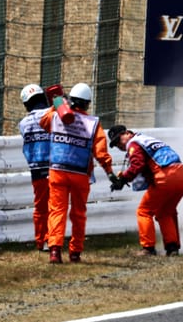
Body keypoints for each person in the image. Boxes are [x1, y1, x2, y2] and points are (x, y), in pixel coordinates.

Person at [37, 82, 116, 264]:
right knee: (79, 213)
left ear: (71, 100)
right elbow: (101, 153)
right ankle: (75, 252)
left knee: (57, 210)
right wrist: (110, 172)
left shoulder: (57, 116)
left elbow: (43, 122)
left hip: (58, 170)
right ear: (88, 103)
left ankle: (55, 251)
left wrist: (57, 103)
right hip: (81, 173)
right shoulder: (93, 123)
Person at [107, 125, 183, 257]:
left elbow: (137, 165)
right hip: (182, 175)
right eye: (115, 144)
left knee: (144, 211)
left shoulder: (133, 144)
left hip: (166, 176)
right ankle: (172, 247)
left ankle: (148, 248)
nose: (119, 145)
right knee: (165, 212)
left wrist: (123, 180)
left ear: (127, 133)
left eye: (119, 140)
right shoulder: (146, 140)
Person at [18, 83, 51, 252]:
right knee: (56, 206)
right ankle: (53, 240)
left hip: (36, 169)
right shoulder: (53, 115)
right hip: (56, 166)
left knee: (40, 207)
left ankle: (41, 241)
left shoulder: (23, 123)